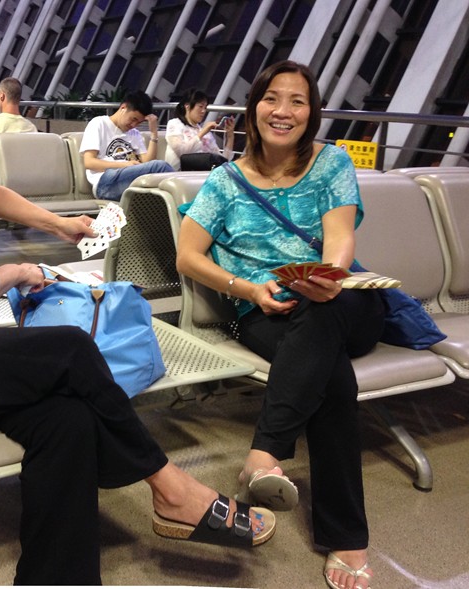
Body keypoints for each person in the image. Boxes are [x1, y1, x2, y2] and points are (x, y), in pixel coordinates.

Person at [0, 46, 276, 586]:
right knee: (68, 349)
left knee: (68, 420)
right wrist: (19, 271)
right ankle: (171, 488)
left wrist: (60, 226)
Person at [176, 60, 382, 589]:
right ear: (254, 107)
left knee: (323, 310)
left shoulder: (331, 163)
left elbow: (340, 235)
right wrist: (248, 290)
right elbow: (187, 256)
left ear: (311, 113)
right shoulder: (225, 181)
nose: (283, 111)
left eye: (297, 101)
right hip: (265, 310)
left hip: (343, 301)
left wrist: (330, 276)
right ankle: (346, 538)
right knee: (332, 377)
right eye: (272, 98)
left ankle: (264, 453)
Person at [79, 90, 174, 201]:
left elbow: (148, 162)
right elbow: (89, 162)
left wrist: (154, 132)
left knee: (162, 186)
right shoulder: (99, 123)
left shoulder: (134, 133)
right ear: (123, 108)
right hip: (105, 183)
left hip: (130, 179)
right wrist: (125, 165)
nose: (134, 125)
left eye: (139, 122)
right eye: (133, 119)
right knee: (161, 167)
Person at [164, 88, 235, 171]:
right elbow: (182, 153)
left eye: (205, 107)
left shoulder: (205, 132)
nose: (203, 111)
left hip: (202, 173)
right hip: (180, 173)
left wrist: (230, 135)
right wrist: (203, 132)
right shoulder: (175, 124)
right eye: (200, 107)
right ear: (187, 106)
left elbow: (222, 160)